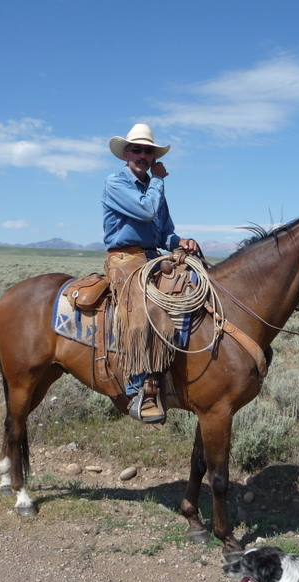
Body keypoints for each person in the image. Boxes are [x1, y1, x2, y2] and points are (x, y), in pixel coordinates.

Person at [102, 124, 199, 423]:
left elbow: (164, 231)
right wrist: (158, 180)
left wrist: (180, 242)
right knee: (143, 305)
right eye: (138, 150)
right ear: (126, 154)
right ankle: (138, 388)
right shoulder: (116, 183)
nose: (143, 155)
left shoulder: (154, 187)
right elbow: (145, 212)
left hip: (151, 255)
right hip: (124, 258)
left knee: (194, 283)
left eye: (148, 151)